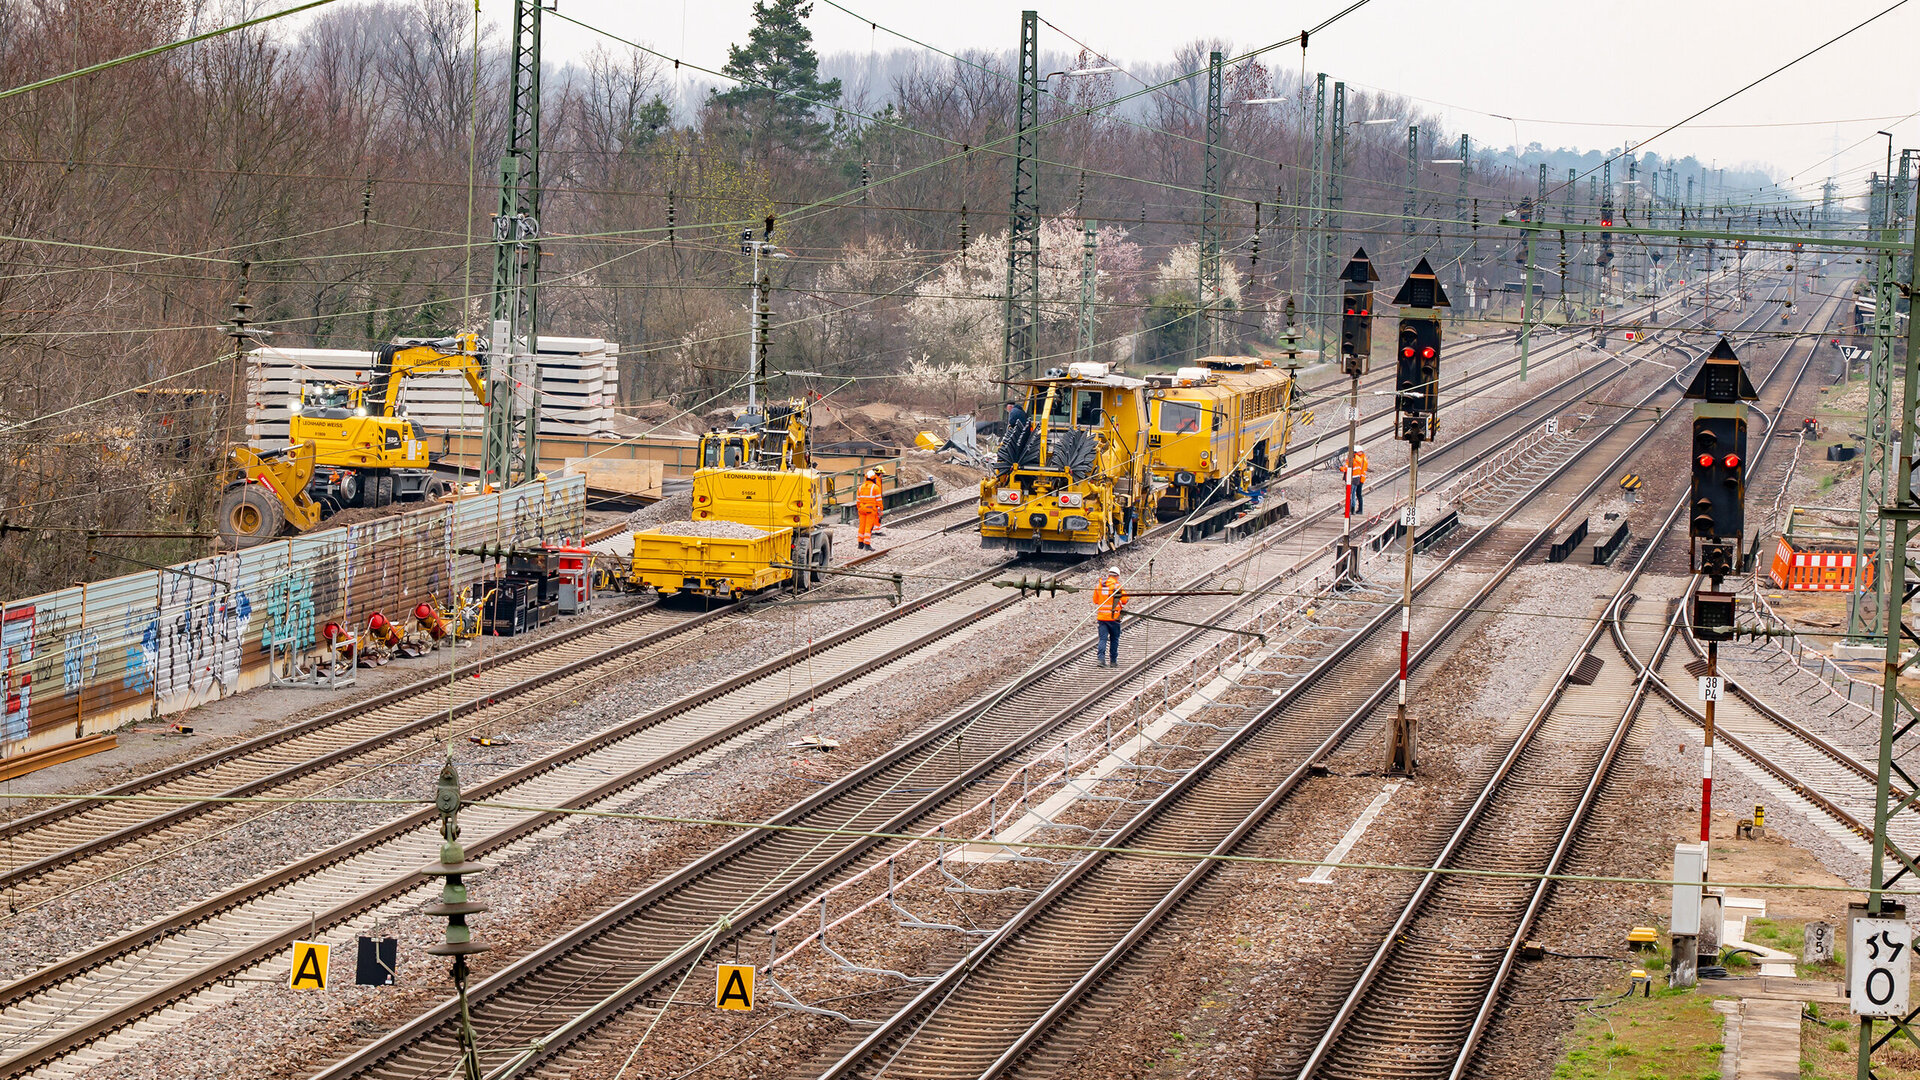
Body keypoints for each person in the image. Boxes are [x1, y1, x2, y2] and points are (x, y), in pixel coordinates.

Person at [1092, 567, 1127, 667]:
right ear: (1117, 576)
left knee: (1102, 639)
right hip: (1114, 617)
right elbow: (1125, 600)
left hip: (1102, 617)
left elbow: (1095, 600)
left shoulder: (1100, 585)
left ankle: (1101, 660)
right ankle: (1113, 661)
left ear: (1109, 575)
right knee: (1114, 639)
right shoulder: (1117, 586)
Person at [856, 468, 884, 550]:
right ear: (873, 478)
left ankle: (860, 544)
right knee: (868, 526)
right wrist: (880, 511)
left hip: (861, 509)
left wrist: (859, 508)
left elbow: (858, 500)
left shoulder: (861, 487)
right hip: (871, 510)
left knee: (861, 526)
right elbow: (879, 501)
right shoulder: (875, 488)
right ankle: (867, 545)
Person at [1342, 444, 1369, 516]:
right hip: (1358, 478)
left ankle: (1353, 509)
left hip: (1356, 479)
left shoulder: (1358, 459)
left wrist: (1341, 468)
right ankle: (1356, 509)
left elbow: (1348, 467)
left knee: (1354, 494)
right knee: (1355, 494)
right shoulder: (1361, 458)